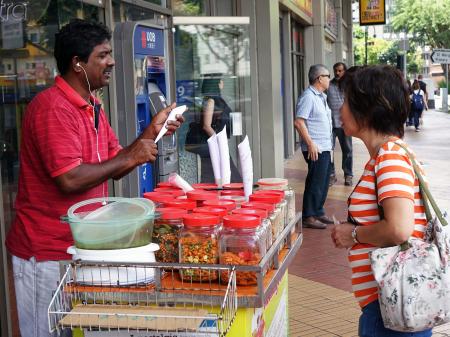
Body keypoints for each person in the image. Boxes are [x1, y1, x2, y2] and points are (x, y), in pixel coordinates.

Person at [5, 19, 184, 337]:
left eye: (110, 53)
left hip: (80, 249)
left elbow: (117, 163)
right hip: (46, 253)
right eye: (102, 55)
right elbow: (70, 179)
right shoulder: (53, 109)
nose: (111, 61)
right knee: (46, 332)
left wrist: (151, 133)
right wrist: (132, 154)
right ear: (78, 63)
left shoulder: (92, 105)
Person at [331, 65, 431, 337]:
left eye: (347, 102)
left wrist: (351, 234)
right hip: (389, 305)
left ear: (368, 109)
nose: (341, 109)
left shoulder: (390, 156)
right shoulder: (386, 155)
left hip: (390, 308)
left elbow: (399, 228)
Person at [294, 64, 334, 229]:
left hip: (325, 145)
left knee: (324, 181)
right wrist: (310, 143)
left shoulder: (321, 97)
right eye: (327, 75)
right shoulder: (308, 97)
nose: (329, 79)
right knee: (315, 181)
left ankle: (318, 210)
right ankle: (309, 216)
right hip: (315, 146)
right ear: (319, 78)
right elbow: (299, 121)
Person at [185, 75, 240, 183]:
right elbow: (206, 125)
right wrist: (219, 141)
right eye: (221, 81)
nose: (222, 83)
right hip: (212, 145)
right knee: (223, 175)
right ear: (216, 84)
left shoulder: (217, 99)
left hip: (216, 144)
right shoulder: (210, 101)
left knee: (226, 174)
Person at [327, 62, 353, 186]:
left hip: (345, 124)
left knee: (347, 150)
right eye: (335, 70)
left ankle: (348, 174)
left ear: (345, 71)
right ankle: (331, 175)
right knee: (329, 151)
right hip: (330, 124)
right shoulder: (328, 85)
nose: (337, 73)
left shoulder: (349, 86)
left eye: (340, 71)